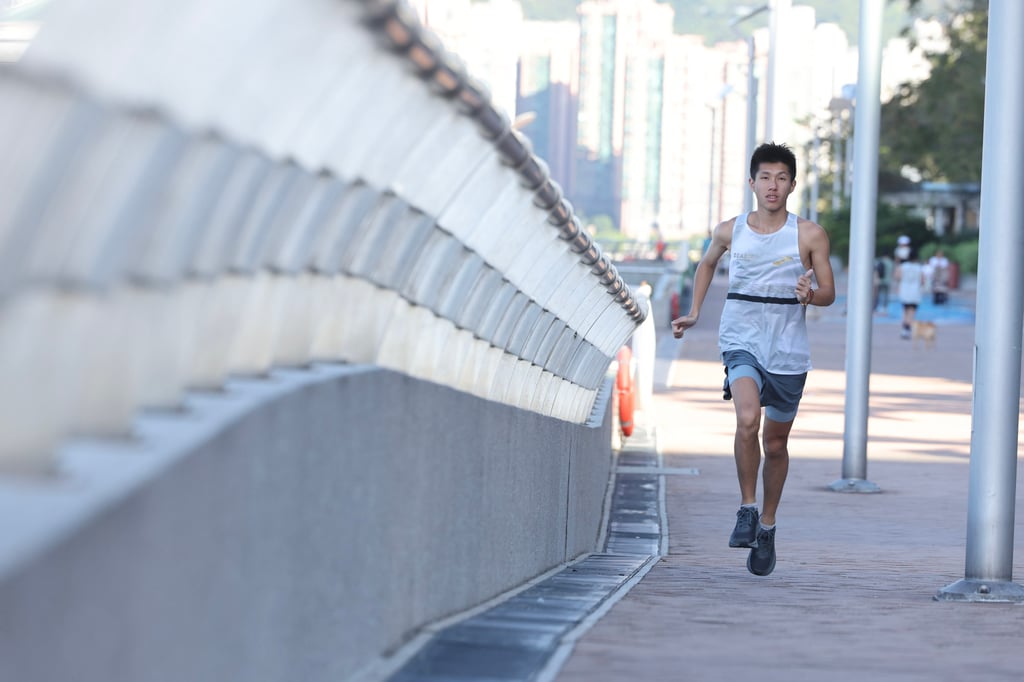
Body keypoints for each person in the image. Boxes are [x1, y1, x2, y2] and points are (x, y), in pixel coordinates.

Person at [670, 142, 835, 577]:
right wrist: (694, 311)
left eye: (781, 178)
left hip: (788, 350)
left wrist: (810, 295)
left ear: (792, 185)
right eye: (765, 177)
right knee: (747, 419)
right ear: (752, 183)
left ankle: (767, 524)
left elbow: (829, 294)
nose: (773, 186)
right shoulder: (730, 230)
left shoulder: (809, 234)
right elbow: (706, 265)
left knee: (776, 444)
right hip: (741, 339)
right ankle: (746, 506)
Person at [894, 249, 926, 339]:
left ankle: (904, 329)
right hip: (915, 291)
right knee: (912, 312)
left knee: (905, 311)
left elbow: (897, 277)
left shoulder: (903, 266)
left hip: (905, 290)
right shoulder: (919, 267)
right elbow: (923, 280)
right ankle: (908, 329)